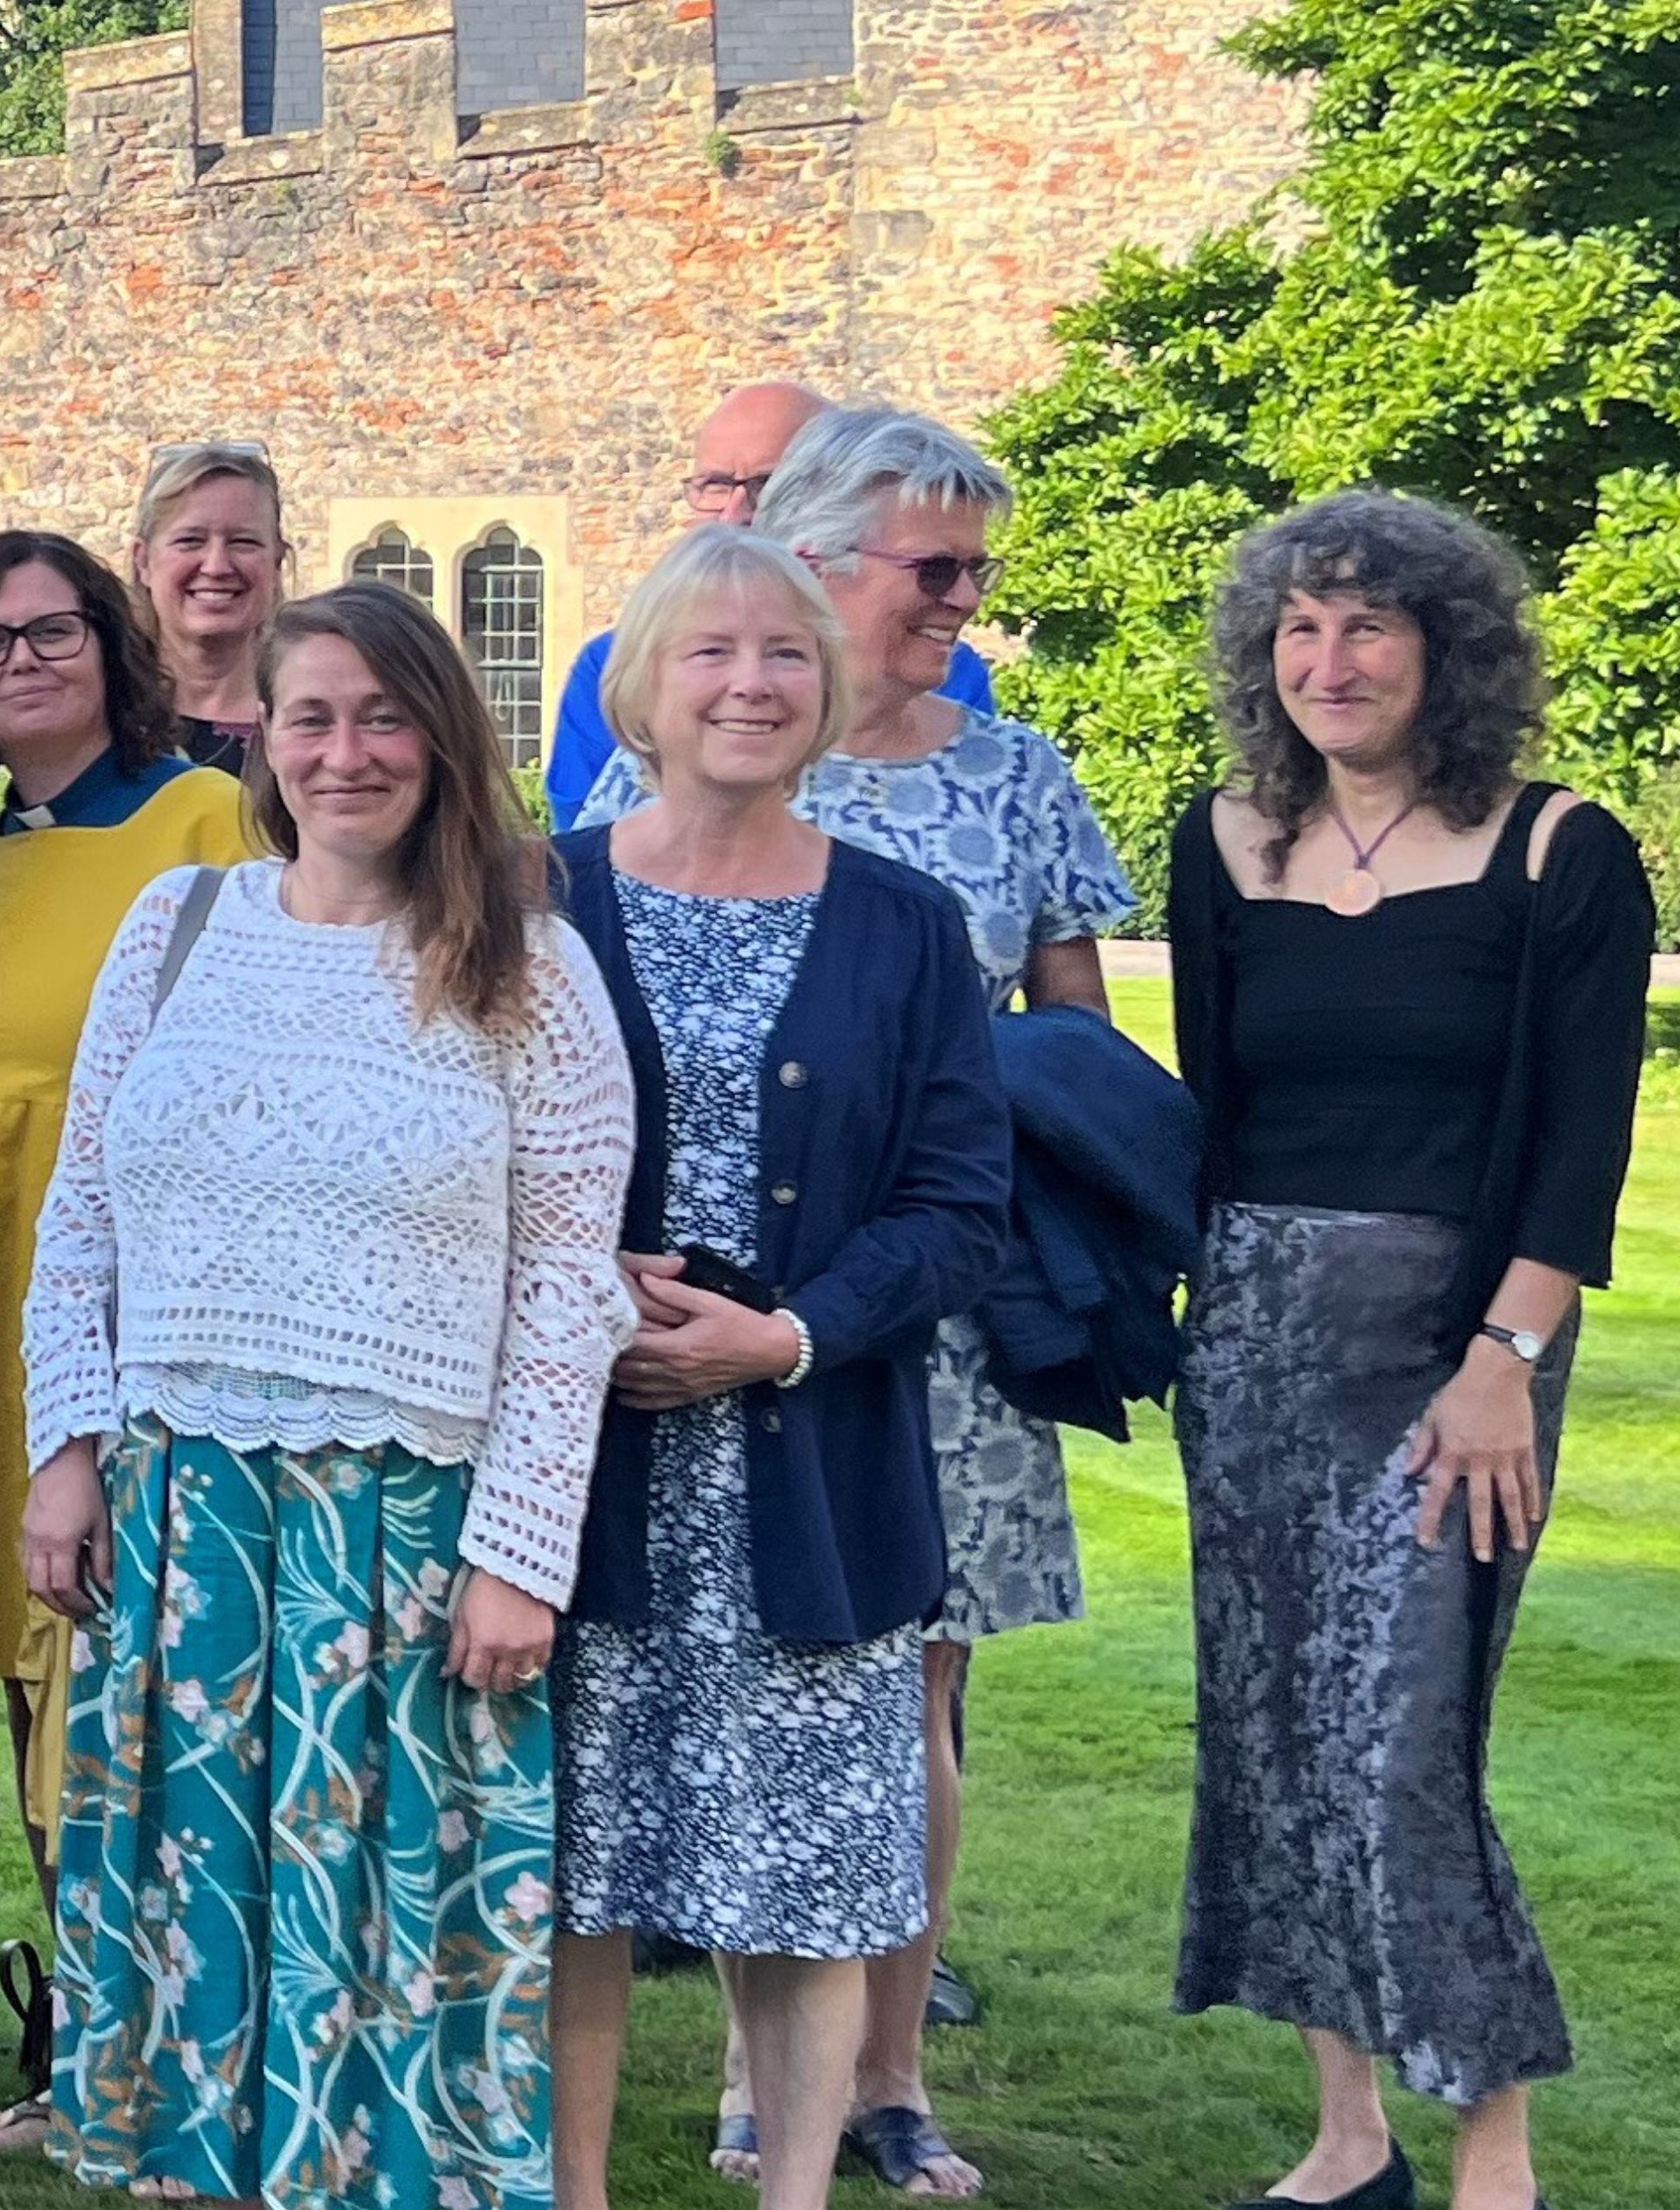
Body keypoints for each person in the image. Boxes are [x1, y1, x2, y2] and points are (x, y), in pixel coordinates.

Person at [14, 583, 634, 2210]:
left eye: (382, 715)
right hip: (181, 1515)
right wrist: (63, 1452)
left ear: (441, 733)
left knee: (386, 1926)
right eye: (311, 718)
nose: (345, 751)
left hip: (407, 1529)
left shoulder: (528, 965)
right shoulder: (178, 929)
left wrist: (521, 1554)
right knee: (195, 1907)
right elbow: (80, 1213)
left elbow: (574, 1284)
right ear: (265, 742)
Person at [610, 405, 1133, 2192]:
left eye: (979, 568)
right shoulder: (655, 778)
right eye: (935, 568)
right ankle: (753, 2081)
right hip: (674, 1333)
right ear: (820, 561)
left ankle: (883, 2074)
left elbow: (1079, 1045)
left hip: (933, 1311)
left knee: (902, 1696)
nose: (962, 601)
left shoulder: (1014, 774)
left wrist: (927, 1134)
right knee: (685, 1685)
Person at [1168, 489, 1646, 2210]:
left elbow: (1581, 1140)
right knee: (1274, 1729)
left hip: (1458, 1358)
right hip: (1256, 1348)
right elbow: (1212, 1114)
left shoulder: (1559, 846)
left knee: (1407, 1745)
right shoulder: (1225, 837)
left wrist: (1506, 1353)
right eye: (1298, 626)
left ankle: (1493, 2156)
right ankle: (1349, 2133)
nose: (1329, 657)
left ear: (1448, 647)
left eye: (1367, 621)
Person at [530, 527, 1015, 2210]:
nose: (749, 683)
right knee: (582, 1867)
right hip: (581, 1474)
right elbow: (464, 1162)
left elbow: (964, 1208)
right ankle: (574, 2189)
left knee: (813, 1867)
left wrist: (783, 1337)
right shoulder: (542, 899)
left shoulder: (905, 926)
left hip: (817, 1468)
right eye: (710, 653)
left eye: (786, 655)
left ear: (827, 689)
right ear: (641, 689)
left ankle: (796, 2189)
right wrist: (585, 1297)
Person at [0, 531, 267, 1843]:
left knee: (110, 1655)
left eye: (54, 631)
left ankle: (114, 2013)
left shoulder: (203, 823)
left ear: (111, 642)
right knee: (17, 1648)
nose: (22, 661)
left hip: (128, 1320)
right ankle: (67, 2005)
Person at [546, 381, 1003, 823]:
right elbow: (582, 867)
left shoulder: (988, 738)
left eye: (768, 484)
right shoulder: (621, 670)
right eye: (716, 484)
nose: (735, 514)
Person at [125, 442, 296, 758]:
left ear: (276, 562)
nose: (216, 566)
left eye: (243, 542)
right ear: (144, 562)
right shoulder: (98, 719)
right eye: (190, 541)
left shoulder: (310, 718)